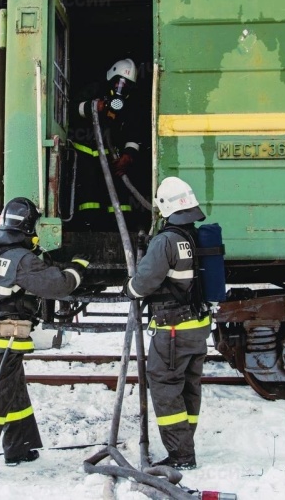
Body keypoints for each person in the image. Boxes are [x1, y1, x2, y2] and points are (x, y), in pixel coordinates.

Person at [0, 197, 88, 474]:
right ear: (29, 227)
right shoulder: (20, 259)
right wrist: (79, 265)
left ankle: (20, 447)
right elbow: (59, 285)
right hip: (3, 340)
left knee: (14, 394)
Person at [124, 177, 210, 470]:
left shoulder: (165, 241)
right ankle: (185, 443)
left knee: (164, 385)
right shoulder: (195, 238)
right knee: (189, 386)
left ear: (164, 208)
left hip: (173, 329)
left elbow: (143, 283)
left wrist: (130, 289)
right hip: (196, 326)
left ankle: (181, 455)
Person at [66, 58, 144, 231]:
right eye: (118, 82)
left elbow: (134, 132)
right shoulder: (94, 90)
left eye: (127, 85)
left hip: (113, 160)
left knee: (118, 196)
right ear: (111, 78)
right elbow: (69, 109)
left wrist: (128, 156)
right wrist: (91, 107)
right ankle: (88, 230)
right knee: (89, 197)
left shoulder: (130, 106)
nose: (121, 88)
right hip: (86, 156)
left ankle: (117, 231)